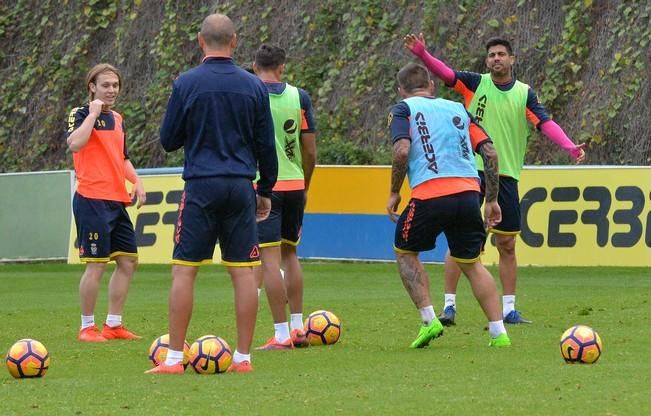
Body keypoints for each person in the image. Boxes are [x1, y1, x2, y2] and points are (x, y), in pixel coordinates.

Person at [405, 34, 586, 325]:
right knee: (459, 240)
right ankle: (449, 306)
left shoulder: (524, 93)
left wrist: (569, 146)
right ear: (487, 60)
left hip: (506, 176)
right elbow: (446, 73)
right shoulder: (476, 84)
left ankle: (509, 309)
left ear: (512, 59)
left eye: (501, 54)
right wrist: (424, 55)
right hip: (468, 173)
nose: (496, 58)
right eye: (491, 55)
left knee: (507, 244)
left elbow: (545, 122)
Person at [146, 14, 277, 375]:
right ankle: (244, 358)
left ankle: (173, 358)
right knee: (244, 273)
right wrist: (264, 190)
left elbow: (169, 140)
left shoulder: (186, 83)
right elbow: (267, 146)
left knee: (185, 271)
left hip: (201, 186)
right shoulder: (253, 87)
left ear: (200, 41)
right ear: (234, 41)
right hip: (239, 186)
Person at [387, 63, 510, 348]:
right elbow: (490, 153)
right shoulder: (458, 109)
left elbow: (402, 150)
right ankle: (498, 333)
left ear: (400, 90)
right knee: (472, 264)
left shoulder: (403, 110)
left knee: (405, 252)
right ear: (431, 85)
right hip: (468, 194)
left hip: (429, 195)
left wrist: (394, 191)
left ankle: (430, 321)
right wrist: (490, 199)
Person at [66, 63, 146, 343]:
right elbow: (75, 144)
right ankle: (87, 327)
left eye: (115, 85)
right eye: (105, 85)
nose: (111, 90)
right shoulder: (79, 114)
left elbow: (122, 157)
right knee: (97, 264)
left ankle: (114, 325)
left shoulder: (119, 118)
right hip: (91, 198)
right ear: (92, 87)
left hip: (116, 200)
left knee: (128, 261)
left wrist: (136, 181)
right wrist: (92, 113)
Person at [251, 44, 317, 350]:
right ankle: (298, 327)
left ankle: (280, 336)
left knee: (269, 261)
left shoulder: (250, 95)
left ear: (254, 66)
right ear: (282, 66)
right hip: (294, 186)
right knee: (291, 256)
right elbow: (311, 150)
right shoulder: (299, 96)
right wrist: (304, 185)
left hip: (264, 187)